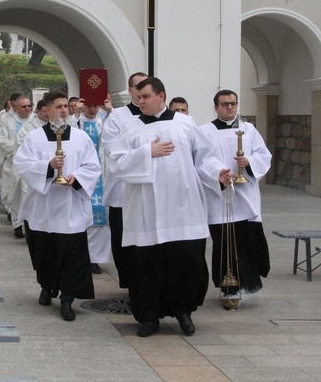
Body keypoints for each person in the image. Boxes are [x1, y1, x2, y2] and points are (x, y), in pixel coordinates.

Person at [109, 77, 233, 337]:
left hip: (182, 207)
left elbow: (204, 157)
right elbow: (116, 163)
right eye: (138, 97)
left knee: (185, 262)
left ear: (161, 96)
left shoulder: (185, 124)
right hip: (146, 210)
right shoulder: (131, 127)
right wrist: (146, 152)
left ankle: (183, 312)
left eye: (145, 97)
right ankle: (149, 318)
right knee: (146, 266)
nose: (140, 101)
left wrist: (217, 172)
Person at [14, 89, 102, 321]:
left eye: (66, 106)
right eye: (59, 106)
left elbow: (93, 166)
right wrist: (50, 166)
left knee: (72, 254)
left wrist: (78, 177)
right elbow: (23, 164)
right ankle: (46, 286)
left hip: (71, 206)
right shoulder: (35, 137)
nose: (64, 110)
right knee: (46, 251)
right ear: (47, 110)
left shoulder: (81, 137)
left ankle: (67, 298)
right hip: (45, 206)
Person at [200, 90, 272, 304]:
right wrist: (218, 173)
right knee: (224, 243)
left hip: (246, 194)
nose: (230, 107)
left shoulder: (248, 130)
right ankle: (228, 287)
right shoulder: (205, 131)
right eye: (224, 104)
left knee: (245, 241)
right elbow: (201, 160)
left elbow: (263, 155)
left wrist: (248, 162)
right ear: (216, 107)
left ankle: (246, 283)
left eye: (233, 104)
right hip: (220, 196)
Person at [101, 72, 147, 289]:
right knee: (122, 238)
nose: (143, 92)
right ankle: (128, 281)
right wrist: (146, 154)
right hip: (122, 190)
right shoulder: (117, 117)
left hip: (150, 190)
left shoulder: (159, 117)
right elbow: (113, 150)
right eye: (138, 87)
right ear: (130, 91)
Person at [77, 100, 110, 274]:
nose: (92, 109)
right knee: (82, 215)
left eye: (95, 106)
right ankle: (81, 256)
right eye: (89, 105)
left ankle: (95, 259)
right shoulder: (76, 122)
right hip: (82, 175)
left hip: (102, 175)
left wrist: (110, 111)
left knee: (100, 216)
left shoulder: (103, 122)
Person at [0, 95, 33, 238]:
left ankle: (29, 225)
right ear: (16, 108)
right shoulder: (8, 122)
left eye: (29, 106)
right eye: (24, 106)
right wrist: (19, 147)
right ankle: (17, 225)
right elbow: (2, 140)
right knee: (15, 195)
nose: (27, 109)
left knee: (28, 195)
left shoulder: (35, 121)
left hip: (30, 165)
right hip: (13, 163)